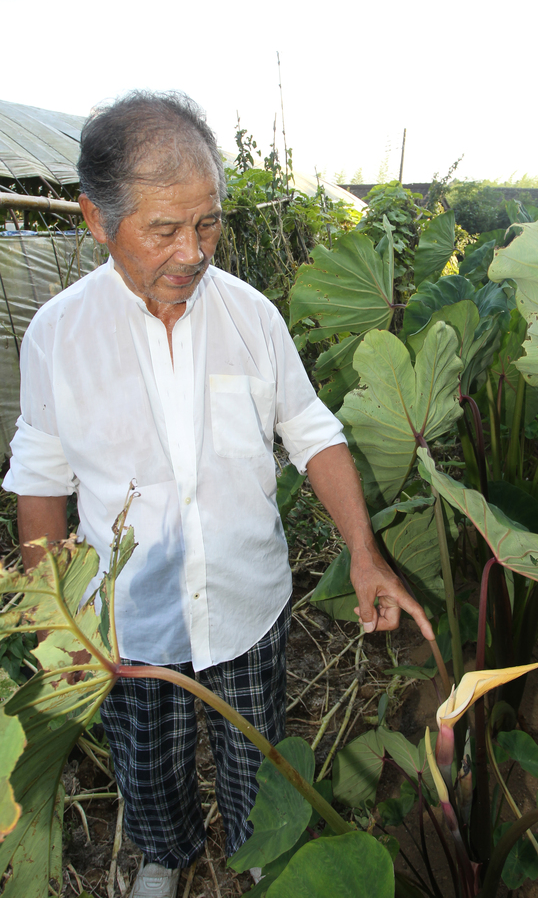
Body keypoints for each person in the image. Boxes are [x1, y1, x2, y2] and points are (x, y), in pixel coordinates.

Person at [3, 92, 434, 898]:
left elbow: (313, 433)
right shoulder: (57, 335)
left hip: (246, 601)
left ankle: (258, 847)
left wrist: (365, 554)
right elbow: (41, 483)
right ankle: (165, 854)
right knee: (148, 760)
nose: (194, 252)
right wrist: (58, 626)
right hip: (128, 620)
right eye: (164, 229)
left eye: (208, 224)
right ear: (96, 221)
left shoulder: (252, 317)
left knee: (258, 753)